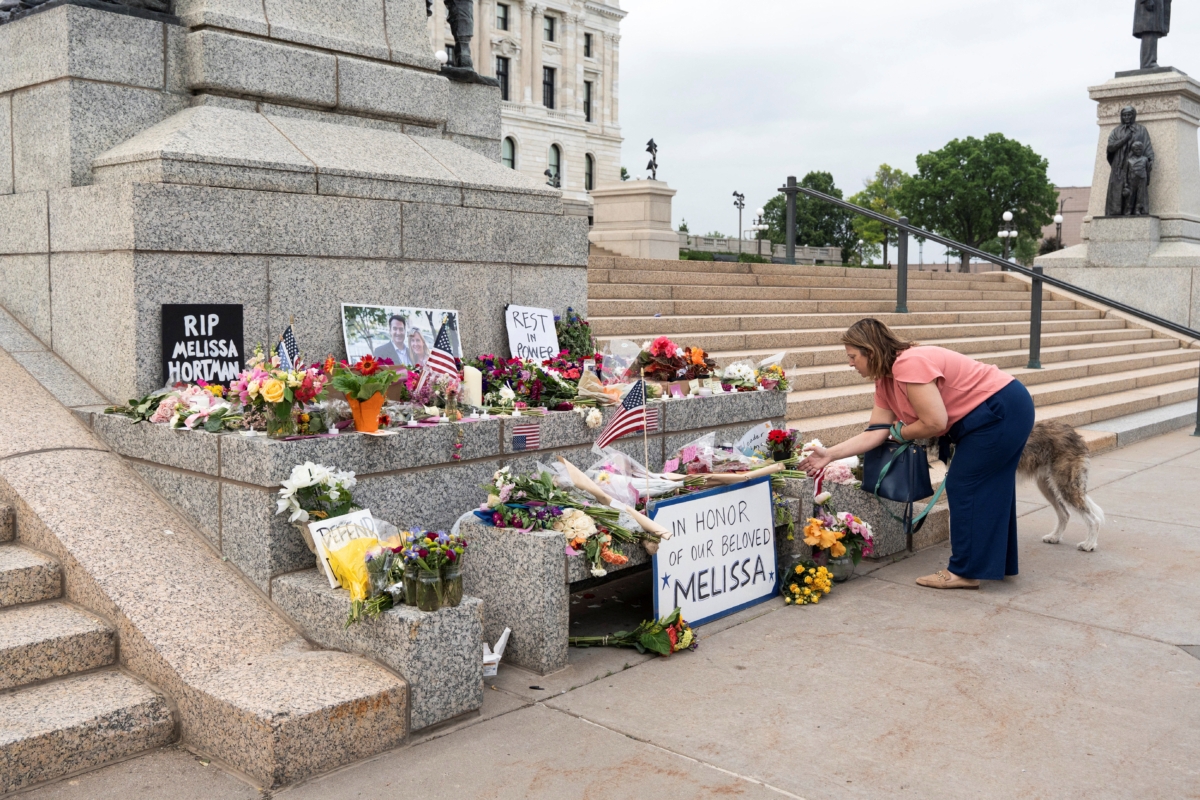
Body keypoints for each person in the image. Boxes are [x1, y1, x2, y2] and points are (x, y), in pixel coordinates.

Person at [799, 319, 1035, 590]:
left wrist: (901, 433)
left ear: (871, 352)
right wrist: (829, 454)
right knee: (992, 486)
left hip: (1000, 410)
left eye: (853, 356)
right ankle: (996, 563)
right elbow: (875, 432)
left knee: (964, 485)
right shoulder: (884, 380)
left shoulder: (909, 364)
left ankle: (965, 571)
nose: (850, 363)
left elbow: (934, 422)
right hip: (999, 409)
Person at [1104, 106, 1155, 216]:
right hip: (1119, 166)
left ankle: (1135, 211)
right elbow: (1110, 147)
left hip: (1135, 167)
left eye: (1129, 115)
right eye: (1124, 115)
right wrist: (1125, 139)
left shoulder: (1141, 130)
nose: (1127, 117)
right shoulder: (1116, 131)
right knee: (1118, 191)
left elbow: (1147, 145)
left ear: (1134, 116)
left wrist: (1150, 159)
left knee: (1135, 192)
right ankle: (1115, 213)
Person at [1124, 140, 1151, 216]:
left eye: (1140, 149)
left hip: (1142, 179)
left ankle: (1138, 210)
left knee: (1140, 196)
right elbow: (1125, 173)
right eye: (1136, 149)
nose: (1139, 151)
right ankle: (1129, 209)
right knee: (1130, 196)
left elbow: (1147, 171)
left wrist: (1148, 180)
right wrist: (1125, 183)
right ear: (1133, 150)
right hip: (1131, 180)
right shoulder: (1129, 160)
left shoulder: (1145, 159)